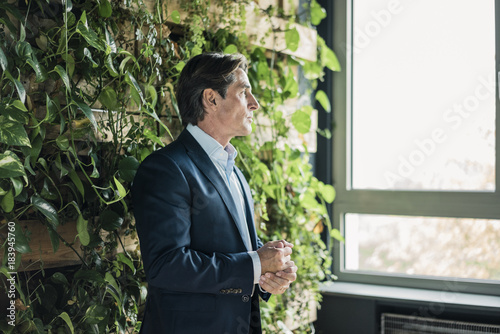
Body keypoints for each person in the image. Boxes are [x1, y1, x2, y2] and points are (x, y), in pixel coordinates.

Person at [132, 52, 298, 334]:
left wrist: (271, 271)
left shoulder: (235, 170)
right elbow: (166, 265)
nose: (254, 104)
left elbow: (242, 252)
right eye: (244, 93)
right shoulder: (165, 168)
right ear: (211, 99)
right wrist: (255, 264)